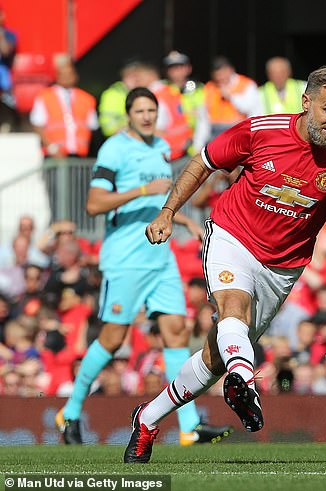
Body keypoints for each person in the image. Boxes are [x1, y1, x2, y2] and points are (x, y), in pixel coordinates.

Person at [123, 66, 326, 463]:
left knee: (215, 356)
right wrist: (169, 210)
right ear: (306, 102)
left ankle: (148, 418)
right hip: (232, 236)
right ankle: (244, 382)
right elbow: (202, 161)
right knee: (232, 310)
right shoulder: (260, 130)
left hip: (282, 267)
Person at [55, 87, 232, 446]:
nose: (148, 116)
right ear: (129, 115)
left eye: (152, 110)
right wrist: (140, 191)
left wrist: (181, 221)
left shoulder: (160, 147)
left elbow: (158, 198)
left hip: (159, 257)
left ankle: (188, 426)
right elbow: (93, 204)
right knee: (112, 338)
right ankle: (70, 411)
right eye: (140, 111)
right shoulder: (114, 149)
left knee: (176, 332)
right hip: (126, 260)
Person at [30, 60, 98, 158]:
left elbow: (92, 126)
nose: (67, 77)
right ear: (57, 76)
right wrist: (51, 147)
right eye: (63, 74)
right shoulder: (45, 96)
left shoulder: (87, 99)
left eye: (70, 74)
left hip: (79, 156)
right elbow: (37, 124)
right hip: (54, 155)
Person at [163, 51, 210, 156]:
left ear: (188, 68)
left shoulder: (198, 90)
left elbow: (203, 120)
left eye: (180, 66)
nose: (177, 71)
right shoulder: (161, 90)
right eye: (173, 67)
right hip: (168, 149)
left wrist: (198, 146)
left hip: (192, 147)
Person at [204, 56, 262, 139]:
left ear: (231, 70)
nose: (220, 78)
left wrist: (231, 97)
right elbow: (204, 118)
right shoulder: (209, 87)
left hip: (239, 132)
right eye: (217, 75)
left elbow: (252, 110)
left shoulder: (247, 84)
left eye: (223, 73)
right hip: (214, 133)